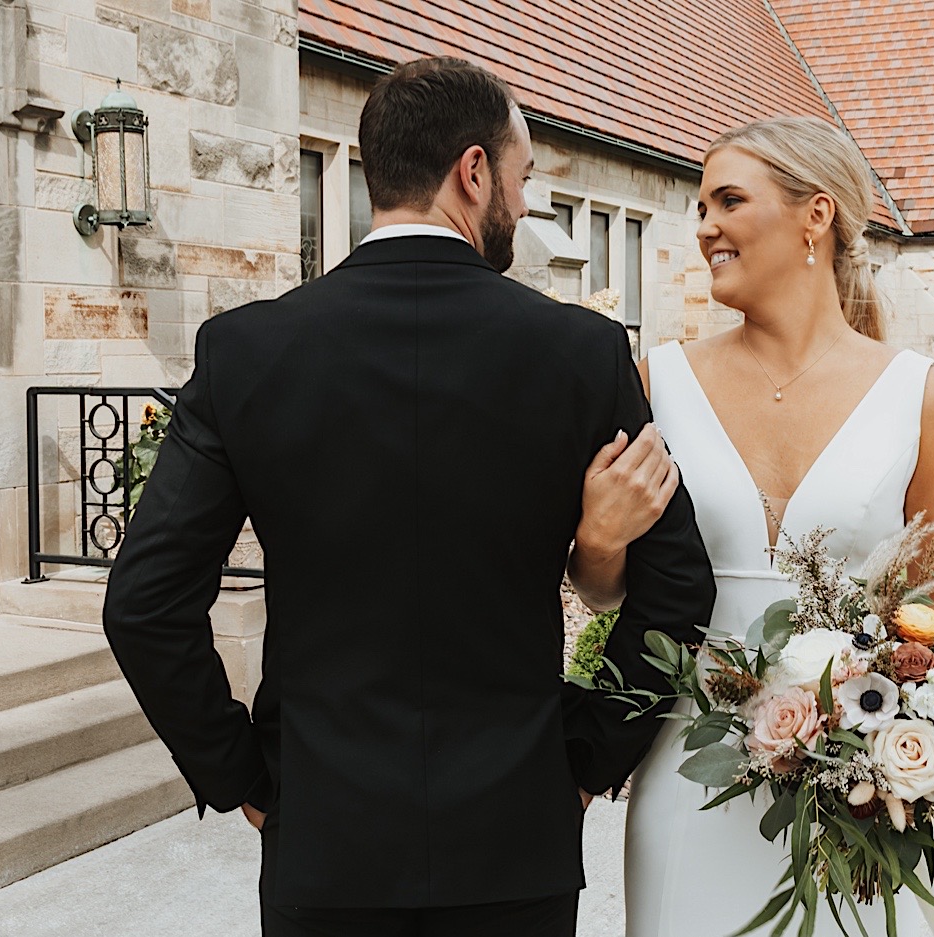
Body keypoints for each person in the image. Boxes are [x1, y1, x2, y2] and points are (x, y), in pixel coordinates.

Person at [102, 56, 716, 937]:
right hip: (516, 836)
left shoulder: (248, 352)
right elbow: (681, 585)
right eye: (523, 177)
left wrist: (240, 774)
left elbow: (145, 603)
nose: (525, 203)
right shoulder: (579, 352)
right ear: (473, 173)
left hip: (327, 841)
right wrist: (584, 757)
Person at [568, 116, 934, 936]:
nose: (705, 228)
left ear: (816, 216)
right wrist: (599, 539)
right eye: (699, 208)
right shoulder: (659, 379)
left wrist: (900, 756)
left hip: (854, 791)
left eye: (728, 200)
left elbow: (928, 619)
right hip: (689, 770)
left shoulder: (922, 397)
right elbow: (603, 585)